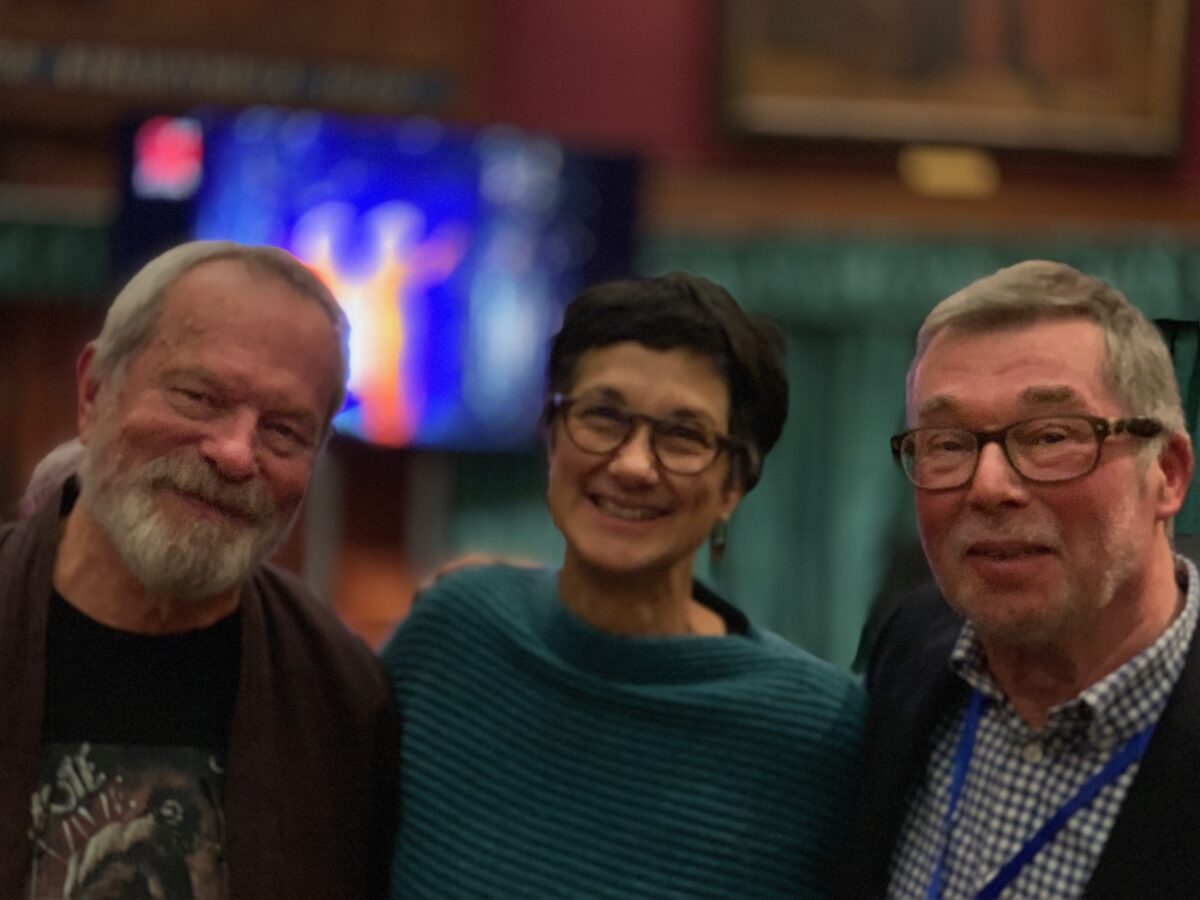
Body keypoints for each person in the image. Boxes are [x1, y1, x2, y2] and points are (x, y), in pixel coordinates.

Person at [382, 273, 866, 897]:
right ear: (551, 436)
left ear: (733, 487)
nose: (634, 465)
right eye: (603, 416)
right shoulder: (452, 632)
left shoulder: (817, 728)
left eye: (684, 435)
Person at [0, 241, 398, 899]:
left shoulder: (342, 695)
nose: (236, 454)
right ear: (95, 392)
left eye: (284, 431)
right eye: (198, 396)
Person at [837, 261, 1198, 899]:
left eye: (1051, 435)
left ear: (1166, 473)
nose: (988, 487)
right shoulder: (910, 647)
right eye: (946, 443)